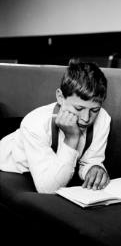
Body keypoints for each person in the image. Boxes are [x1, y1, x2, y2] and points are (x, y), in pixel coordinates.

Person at [0, 59, 111, 193]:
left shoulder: (103, 119)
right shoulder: (35, 123)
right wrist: (71, 139)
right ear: (60, 97)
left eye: (94, 110)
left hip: (52, 170)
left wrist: (93, 168)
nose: (86, 118)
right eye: (78, 108)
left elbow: (90, 160)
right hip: (12, 166)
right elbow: (48, 189)